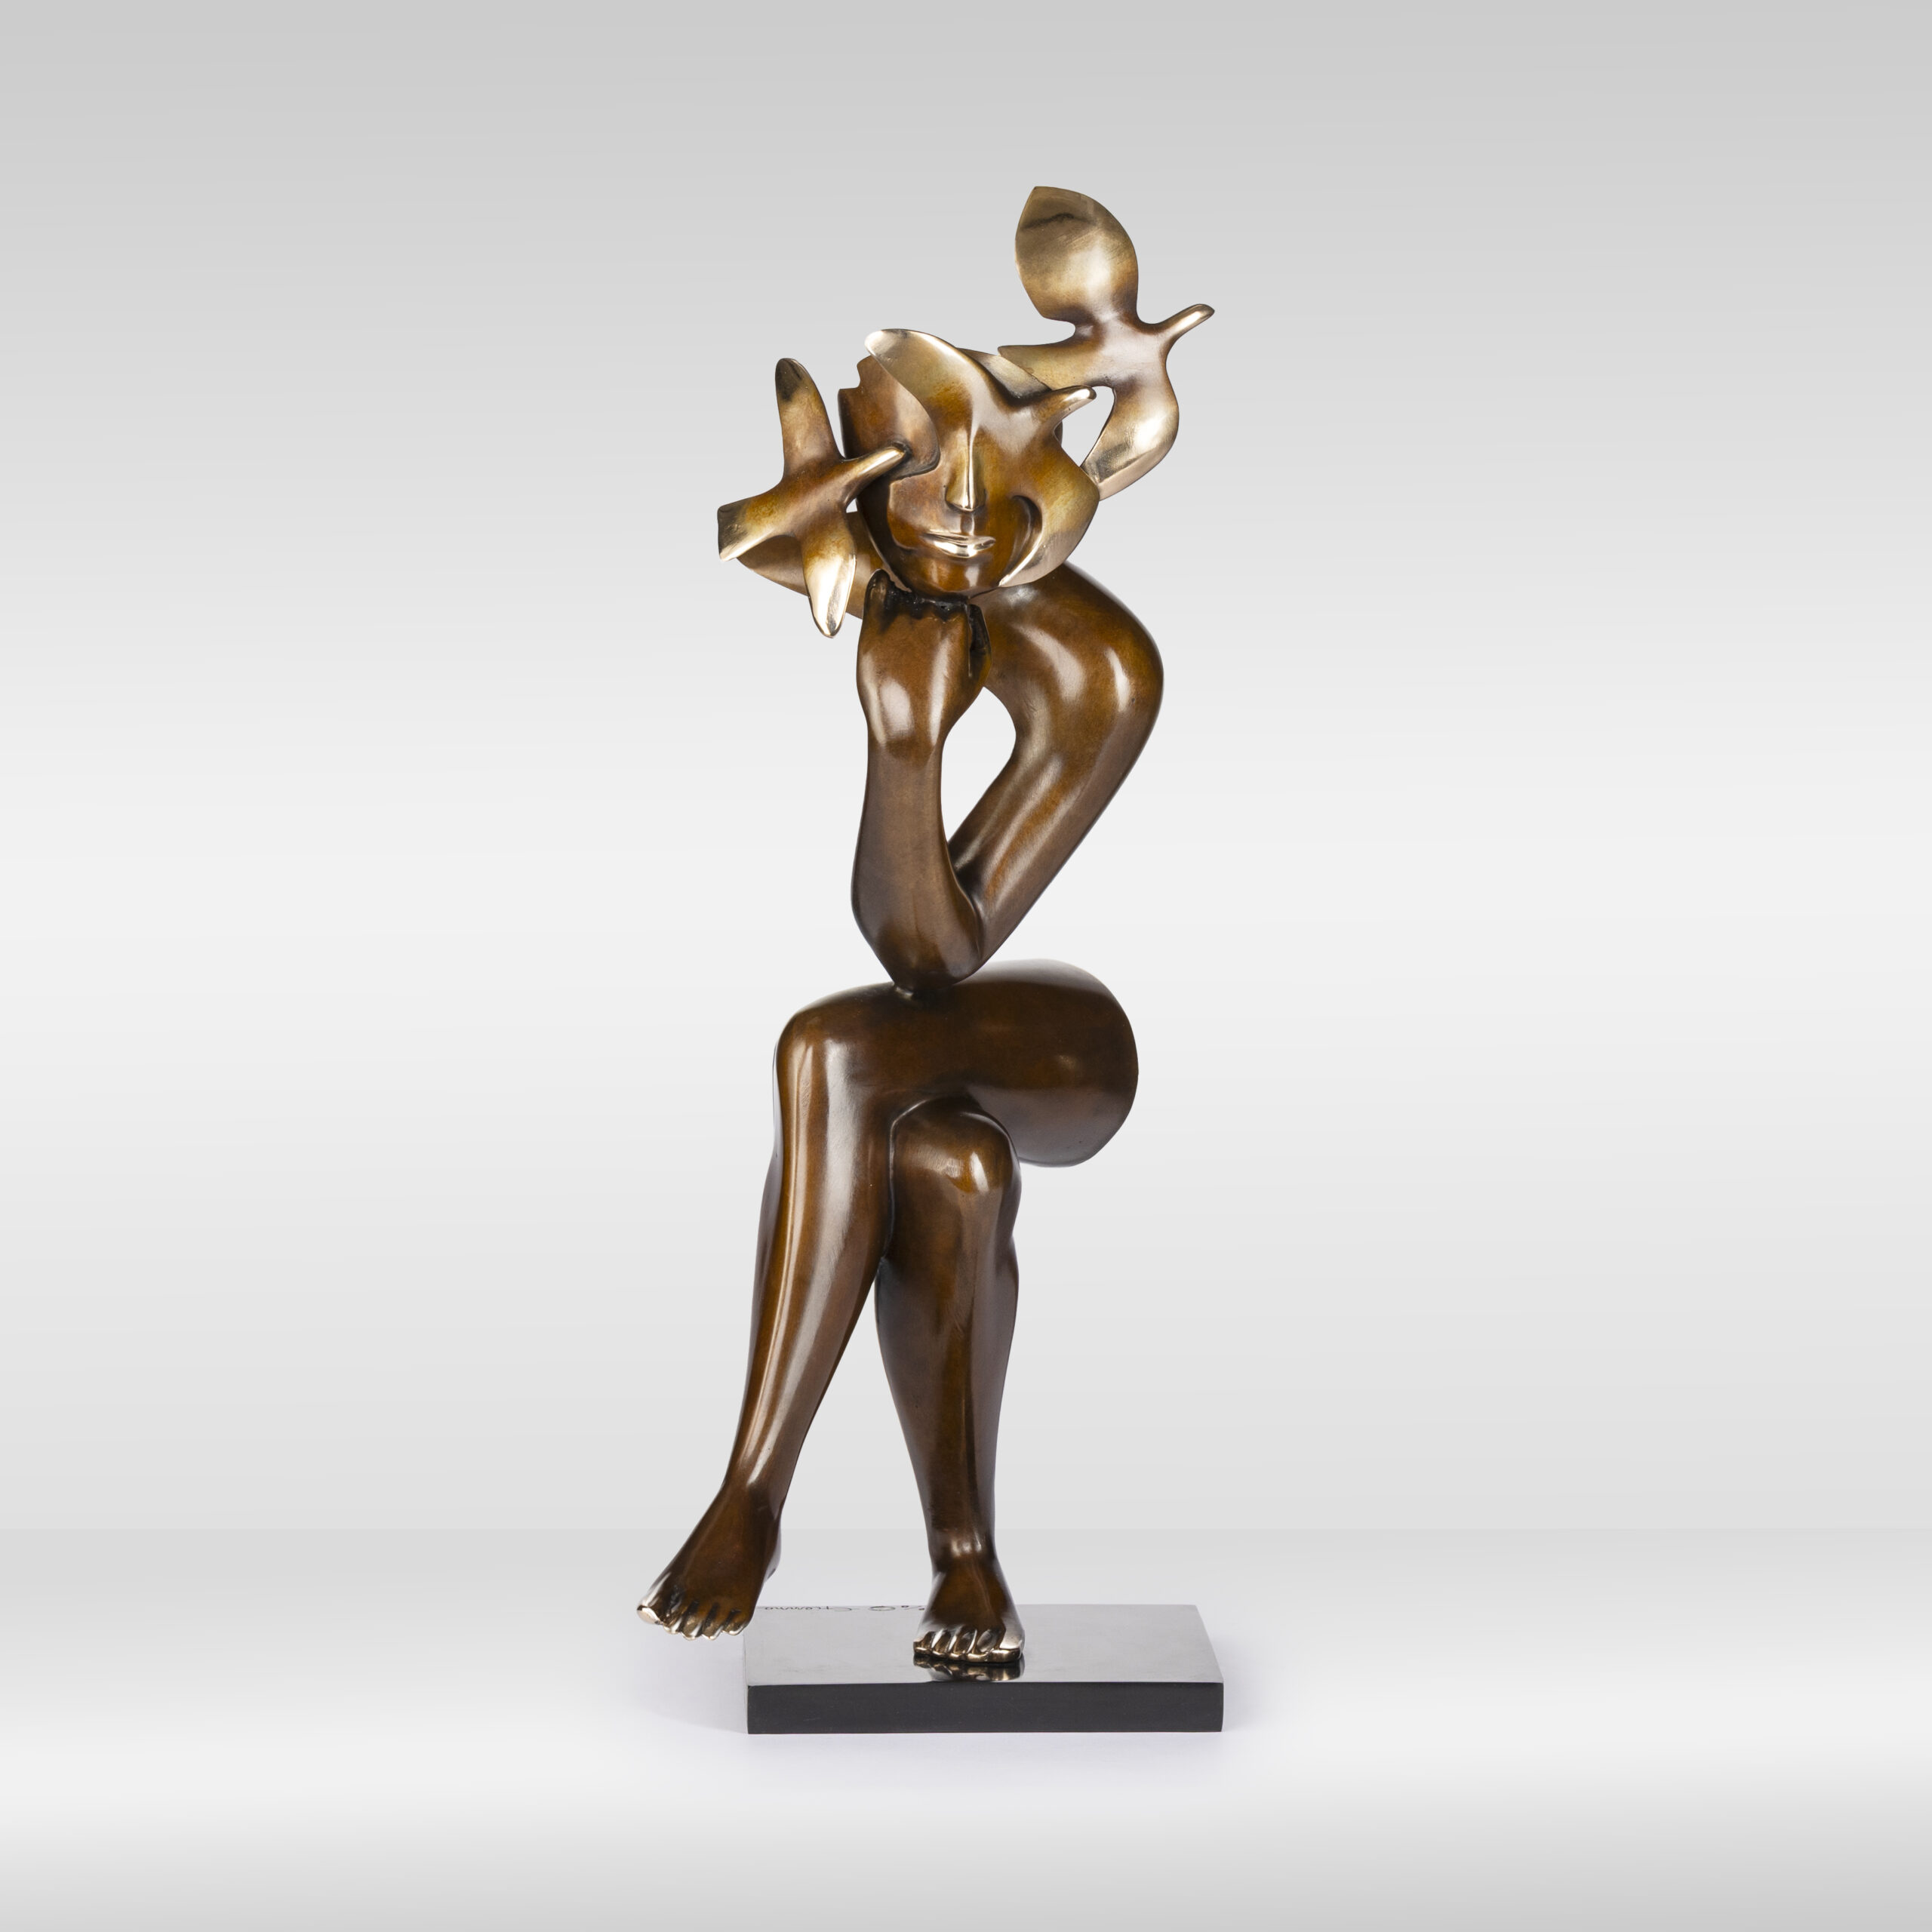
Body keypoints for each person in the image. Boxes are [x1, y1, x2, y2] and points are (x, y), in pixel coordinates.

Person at [638, 191, 1209, 1671]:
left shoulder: (1101, 668)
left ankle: (751, 1490)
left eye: (979, 467)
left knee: (828, 1048)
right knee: (946, 1166)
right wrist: (899, 734)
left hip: (1071, 1048)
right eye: (911, 473)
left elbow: (935, 958)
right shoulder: (899, 598)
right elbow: (916, 958)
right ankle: (968, 1564)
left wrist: (905, 750)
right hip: (953, 1063)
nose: (953, 510)